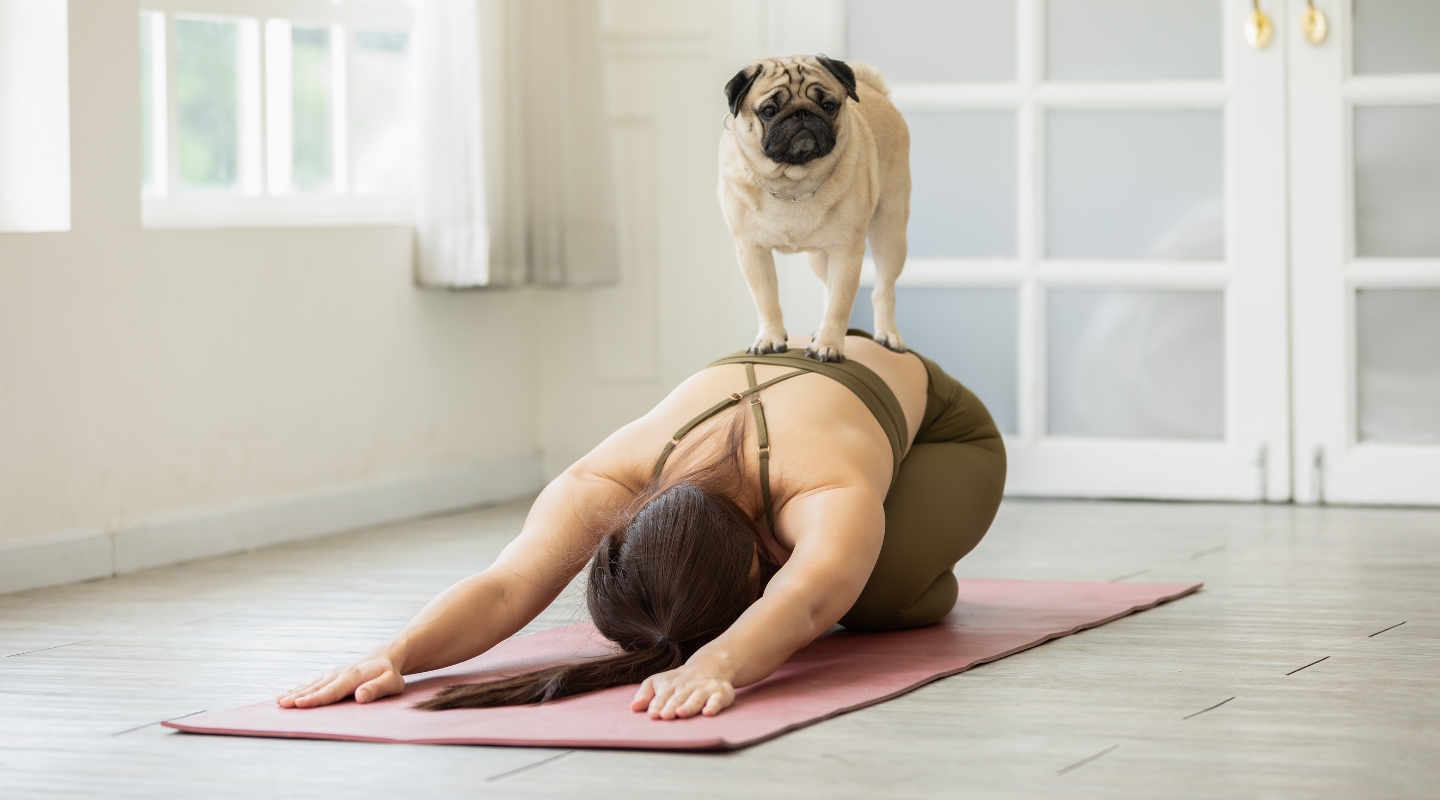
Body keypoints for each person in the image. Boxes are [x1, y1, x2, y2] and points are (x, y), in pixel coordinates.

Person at [277, 331, 1005, 720]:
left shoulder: (820, 483)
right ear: (623, 531)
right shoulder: (609, 479)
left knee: (872, 596)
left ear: (760, 563)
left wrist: (718, 660)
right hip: (810, 385)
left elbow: (811, 596)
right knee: (844, 561)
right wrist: (397, 653)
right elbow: (507, 585)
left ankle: (916, 569)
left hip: (942, 431)